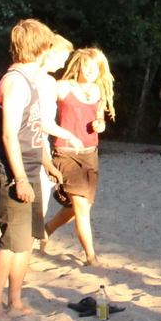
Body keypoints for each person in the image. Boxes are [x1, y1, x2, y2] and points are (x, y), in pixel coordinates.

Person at [0, 20, 69, 317]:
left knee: (27, 242)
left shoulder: (31, 81)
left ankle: (15, 300)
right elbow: (10, 135)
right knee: (11, 243)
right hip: (12, 173)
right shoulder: (15, 81)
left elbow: (32, 130)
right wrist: (20, 178)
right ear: (40, 48)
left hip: (32, 169)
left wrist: (46, 162)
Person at [46, 47, 114, 266]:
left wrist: (100, 124)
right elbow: (42, 111)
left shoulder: (98, 91)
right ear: (78, 65)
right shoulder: (62, 86)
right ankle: (91, 256)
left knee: (78, 209)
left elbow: (100, 118)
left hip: (90, 153)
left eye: (96, 68)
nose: (91, 71)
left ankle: (45, 231)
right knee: (81, 208)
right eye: (88, 66)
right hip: (66, 153)